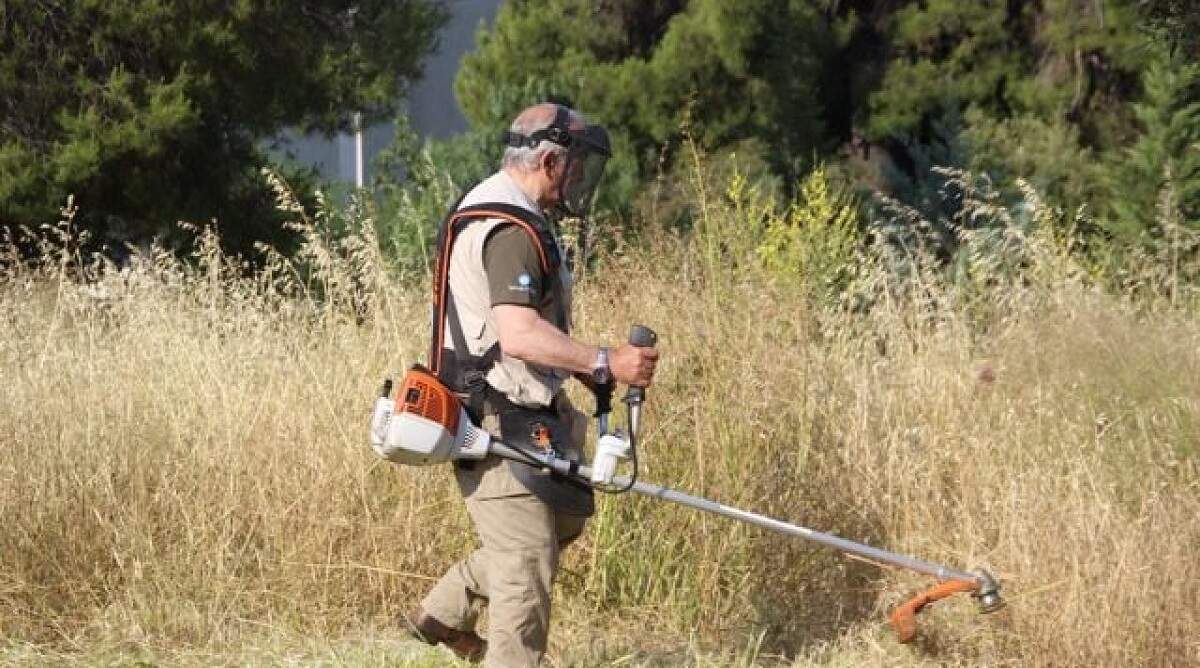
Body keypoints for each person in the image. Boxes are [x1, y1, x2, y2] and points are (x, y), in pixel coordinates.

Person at [407, 102, 658, 667]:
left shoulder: (510, 211)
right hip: (498, 420)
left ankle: (444, 611)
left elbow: (521, 334)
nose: (579, 180)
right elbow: (518, 336)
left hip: (525, 412)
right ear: (548, 159)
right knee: (524, 576)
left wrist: (586, 367)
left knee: (561, 521)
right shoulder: (510, 228)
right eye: (576, 166)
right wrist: (605, 360)